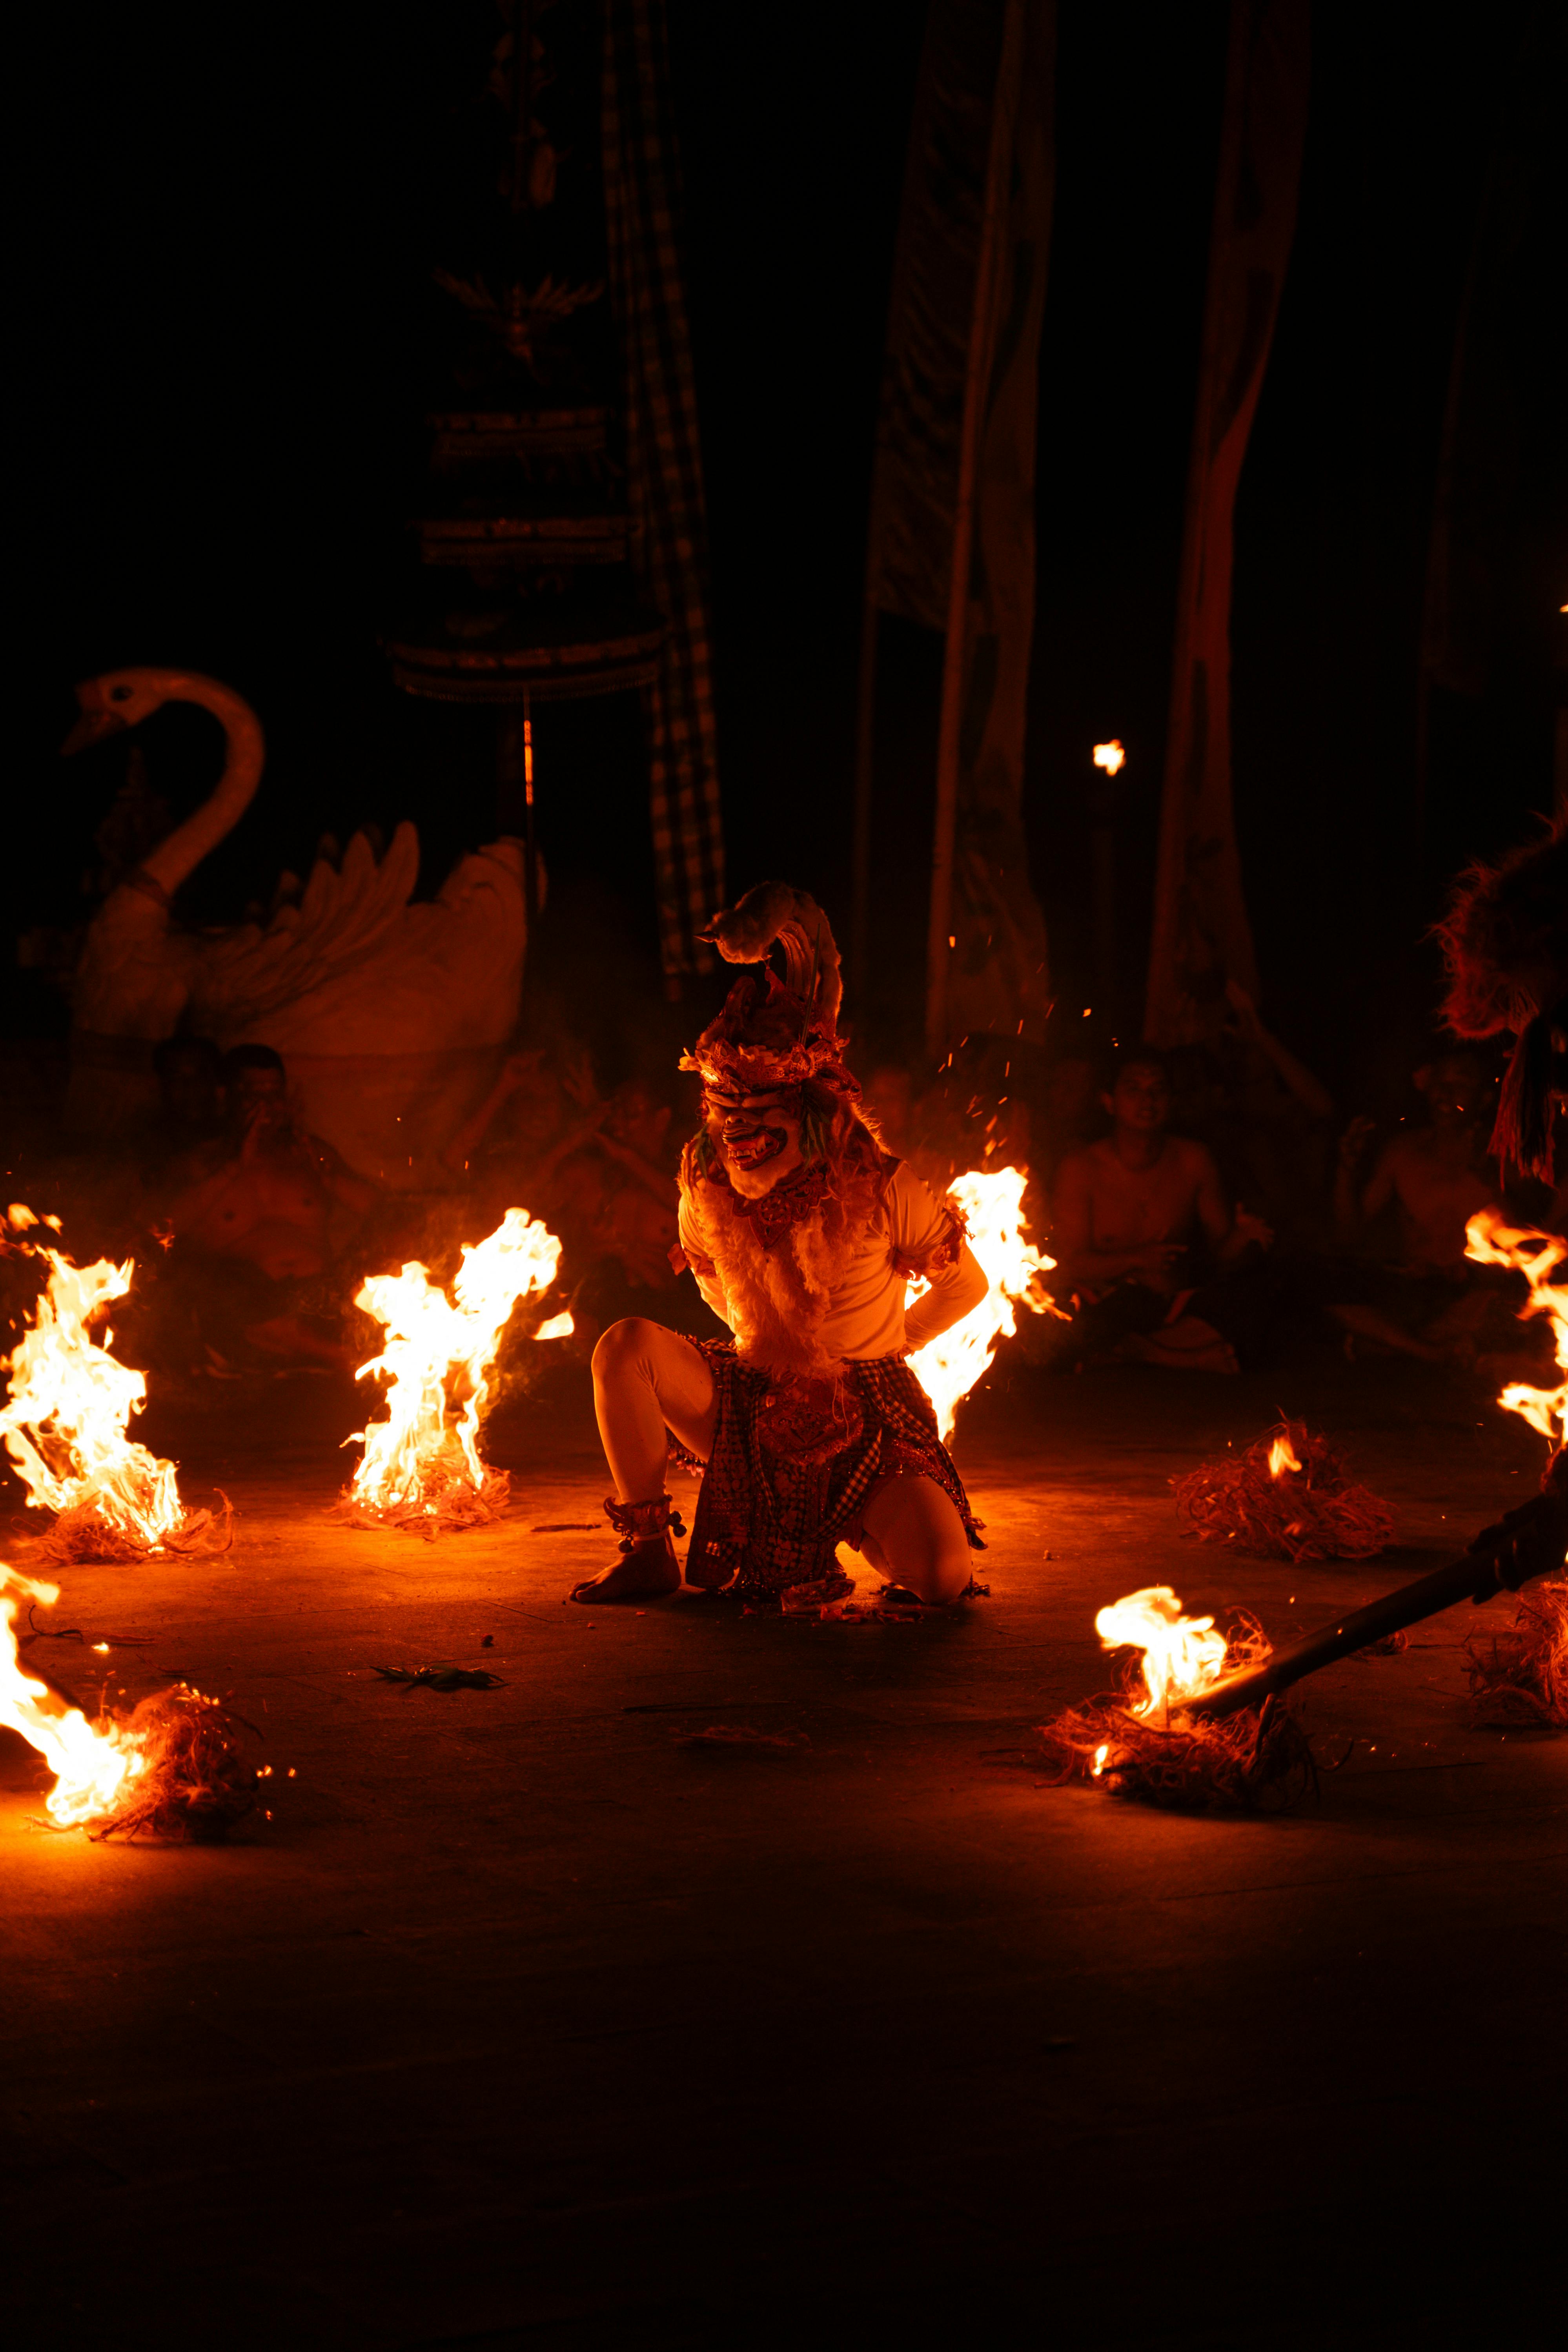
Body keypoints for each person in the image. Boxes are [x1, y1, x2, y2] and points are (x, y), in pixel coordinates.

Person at [572, 884, 989, 1608]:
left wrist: (890, 1344)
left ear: (814, 1113)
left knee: (942, 1581)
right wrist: (759, 1349)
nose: (735, 1130)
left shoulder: (884, 1185)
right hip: (747, 1401)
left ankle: (864, 1522)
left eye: (757, 1111)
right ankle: (646, 1551)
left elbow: (967, 1286)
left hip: (869, 1415)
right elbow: (707, 1279)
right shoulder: (702, 1178)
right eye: (721, 1109)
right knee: (624, 1345)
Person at [1048, 1048, 1272, 1374]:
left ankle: (1142, 1353)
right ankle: (1182, 1355)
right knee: (1056, 1323)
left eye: (1158, 1090)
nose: (1147, 1100)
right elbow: (1069, 1264)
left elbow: (1221, 1257)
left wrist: (1243, 1236)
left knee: (1263, 1291)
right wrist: (1135, 1259)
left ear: (1171, 1101)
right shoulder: (1080, 1167)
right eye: (1134, 1089)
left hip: (1177, 1305)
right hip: (1109, 1304)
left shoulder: (1194, 1159)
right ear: (1109, 1101)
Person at [164, 1044, 377, 1368]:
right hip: (250, 1304)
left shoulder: (310, 1154)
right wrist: (234, 1167)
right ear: (226, 1096)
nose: (267, 1107)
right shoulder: (201, 1163)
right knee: (230, 1296)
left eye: (275, 1095)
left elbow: (380, 1210)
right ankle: (346, 1359)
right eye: (253, 1096)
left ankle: (338, 1351)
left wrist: (332, 1181)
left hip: (319, 1296)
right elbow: (160, 1227)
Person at [1328, 1051, 1507, 1363]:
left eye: (1460, 1083)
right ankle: (1430, 1350)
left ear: (1484, 1099)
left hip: (1479, 1293)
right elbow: (1348, 1236)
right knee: (1328, 1292)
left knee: (1501, 1305)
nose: (1446, 1093)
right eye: (1439, 1082)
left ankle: (1407, 1346)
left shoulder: (1505, 1154)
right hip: (1415, 1292)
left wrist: (1496, 1185)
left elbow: (1540, 1242)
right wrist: (1346, 1170)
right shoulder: (1402, 1151)